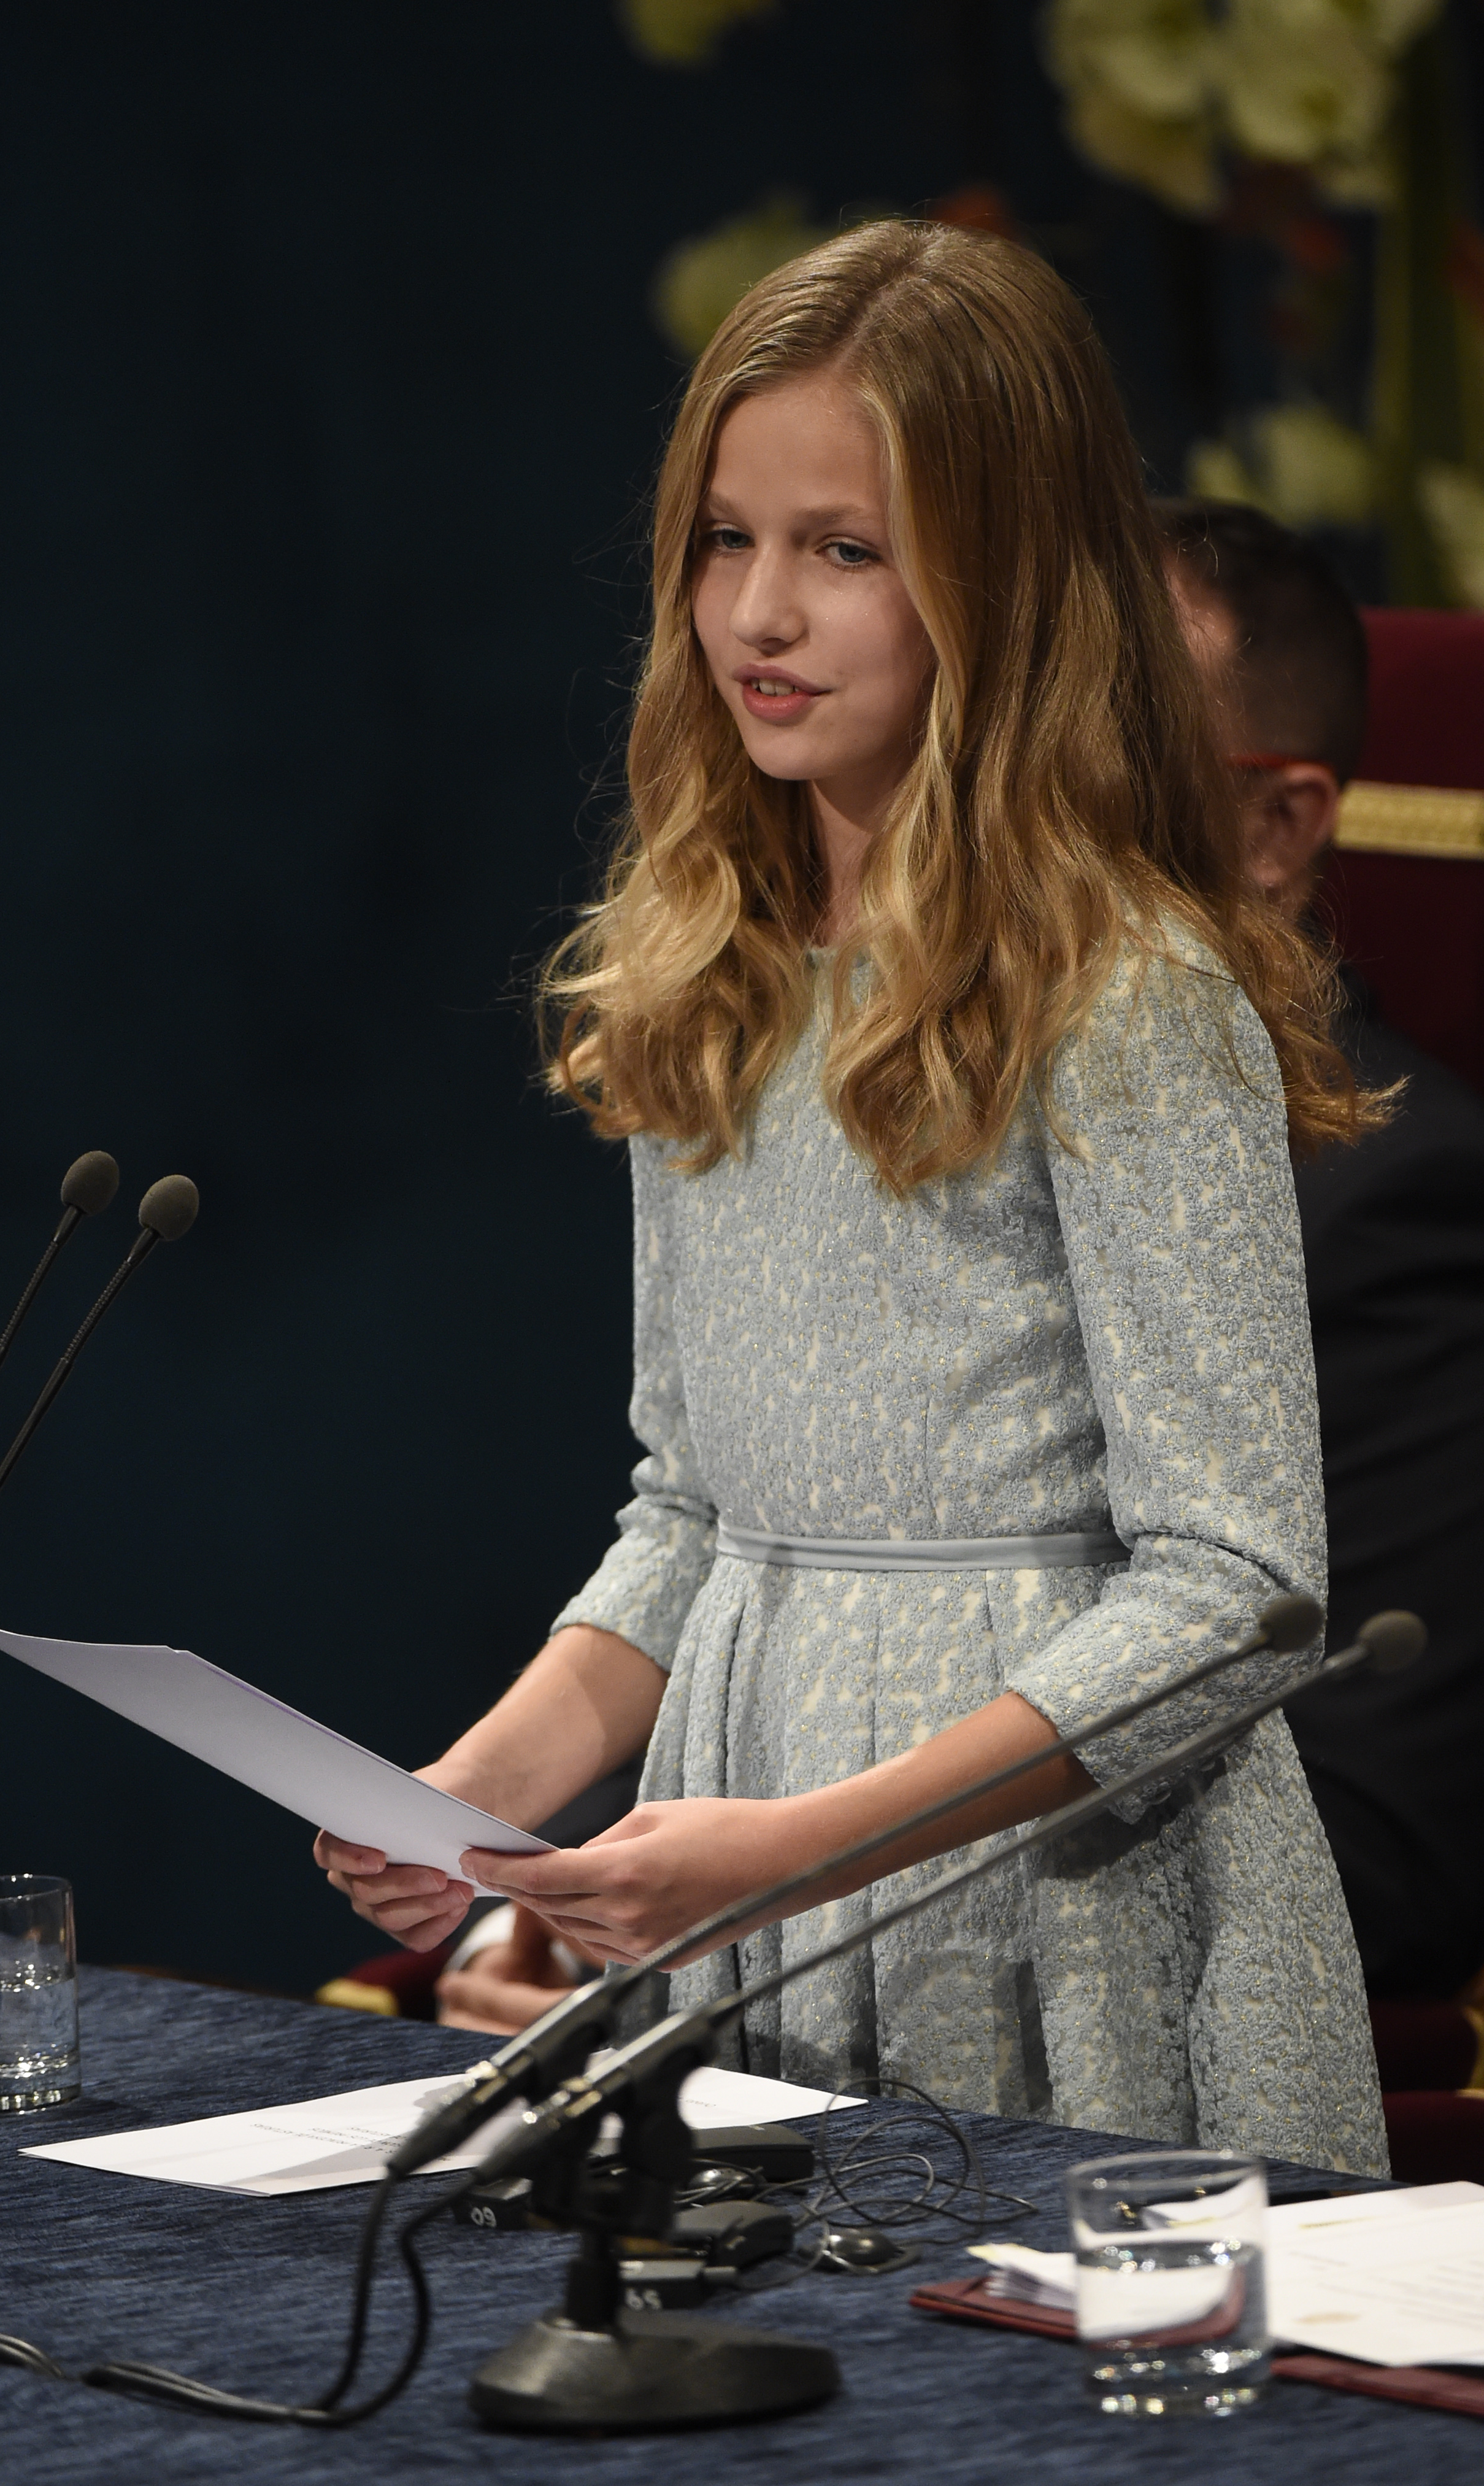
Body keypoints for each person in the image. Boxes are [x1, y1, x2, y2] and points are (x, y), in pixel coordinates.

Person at [319, 223, 1387, 2171]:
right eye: (726, 540)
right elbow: (697, 1507)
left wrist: (809, 1841)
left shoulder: (1132, 998)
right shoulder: (702, 975)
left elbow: (1238, 1585)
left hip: (1054, 1902)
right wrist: (472, 1790)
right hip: (756, 1866)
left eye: (844, 549)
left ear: (1008, 590)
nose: (761, 615)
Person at [1160, 497, 1484, 2004]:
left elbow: (1375, 1852)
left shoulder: (1382, 1206)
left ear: (1275, 826)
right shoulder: (902, 1143)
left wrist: (770, 1938)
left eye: (1094, 762)